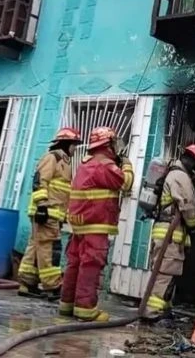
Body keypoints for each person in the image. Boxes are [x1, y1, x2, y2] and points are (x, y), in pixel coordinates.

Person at [60, 126, 134, 321]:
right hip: (96, 223)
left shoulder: (87, 163)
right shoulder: (105, 165)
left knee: (75, 262)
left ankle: (67, 304)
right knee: (91, 264)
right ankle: (86, 309)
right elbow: (126, 183)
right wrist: (126, 165)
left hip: (80, 224)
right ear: (108, 144)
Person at [144, 143, 195, 319]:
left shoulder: (173, 172)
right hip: (170, 234)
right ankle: (151, 312)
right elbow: (187, 206)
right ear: (194, 164)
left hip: (169, 232)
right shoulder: (180, 176)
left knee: (168, 272)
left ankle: (164, 309)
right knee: (165, 273)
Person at [18, 127, 82, 299]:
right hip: (46, 213)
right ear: (66, 144)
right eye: (74, 145)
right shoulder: (52, 158)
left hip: (52, 213)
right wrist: (42, 206)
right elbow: (40, 182)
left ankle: (27, 282)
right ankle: (52, 285)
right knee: (50, 248)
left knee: (36, 246)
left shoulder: (64, 162)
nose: (75, 149)